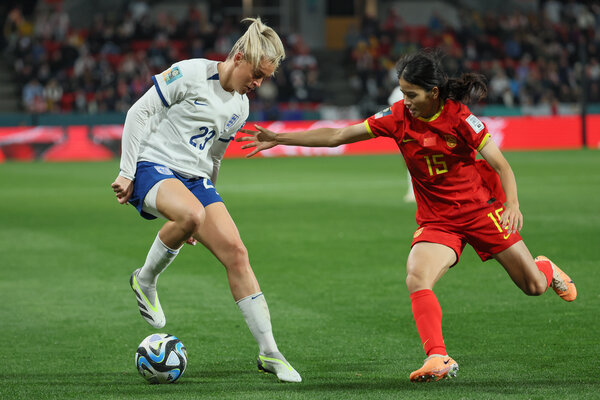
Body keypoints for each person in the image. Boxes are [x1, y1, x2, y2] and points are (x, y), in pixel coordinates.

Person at [237, 49, 576, 382]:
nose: (406, 100)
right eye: (402, 92)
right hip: (438, 220)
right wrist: (278, 136)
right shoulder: (397, 117)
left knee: (533, 286)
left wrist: (513, 204)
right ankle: (437, 356)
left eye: (411, 94)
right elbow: (340, 135)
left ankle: (545, 267)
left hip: (481, 211)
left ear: (433, 92)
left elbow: (501, 164)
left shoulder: (460, 118)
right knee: (417, 276)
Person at [110, 18, 301, 383]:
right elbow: (139, 112)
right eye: (257, 74)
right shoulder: (191, 72)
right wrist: (126, 171)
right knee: (192, 214)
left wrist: (205, 208)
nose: (258, 84)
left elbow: (213, 157)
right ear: (239, 56)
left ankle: (269, 352)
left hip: (195, 179)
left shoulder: (240, 108)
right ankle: (145, 279)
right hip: (153, 165)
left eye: (265, 79)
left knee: (236, 251)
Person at [388, 85, 415, 202]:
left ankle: (413, 192)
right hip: (406, 131)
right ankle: (413, 191)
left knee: (412, 162)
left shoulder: (398, 90)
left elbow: (393, 106)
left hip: (408, 130)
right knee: (411, 163)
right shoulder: (400, 89)